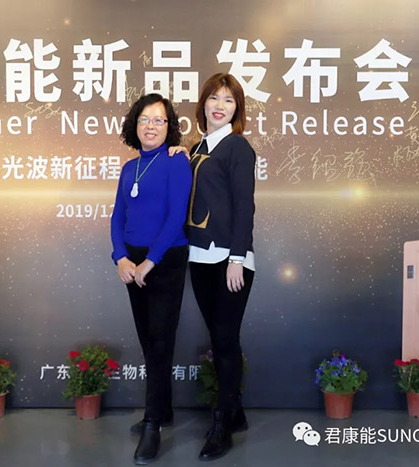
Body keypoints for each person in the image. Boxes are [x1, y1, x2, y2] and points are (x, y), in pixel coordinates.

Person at [110, 93, 192, 464]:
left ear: (169, 126)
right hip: (133, 261)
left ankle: (152, 425)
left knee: (160, 342)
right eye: (145, 119)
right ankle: (163, 409)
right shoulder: (129, 168)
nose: (151, 126)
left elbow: (176, 217)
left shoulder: (176, 161)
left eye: (159, 120)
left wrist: (151, 262)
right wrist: (121, 258)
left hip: (166, 259)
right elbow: (118, 217)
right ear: (135, 124)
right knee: (148, 340)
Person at [186, 73, 256, 461]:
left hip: (229, 259)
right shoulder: (197, 147)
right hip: (198, 257)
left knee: (226, 339)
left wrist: (237, 258)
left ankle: (222, 425)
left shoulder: (237, 147)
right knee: (219, 339)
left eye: (229, 100)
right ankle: (236, 411)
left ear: (237, 109)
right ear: (203, 104)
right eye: (214, 97)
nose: (220, 105)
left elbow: (245, 206)